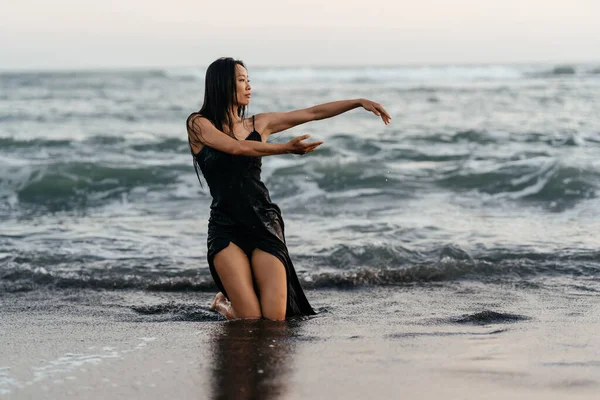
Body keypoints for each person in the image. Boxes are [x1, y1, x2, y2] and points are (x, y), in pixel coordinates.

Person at [186, 57, 391, 321]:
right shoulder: (198, 124)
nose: (249, 87)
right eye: (241, 80)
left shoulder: (260, 124)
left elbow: (312, 113)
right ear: (222, 84)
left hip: (264, 221)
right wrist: (284, 149)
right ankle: (223, 304)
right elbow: (236, 148)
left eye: (249, 80)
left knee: (274, 320)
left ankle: (230, 303)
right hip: (225, 227)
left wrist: (357, 102)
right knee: (249, 319)